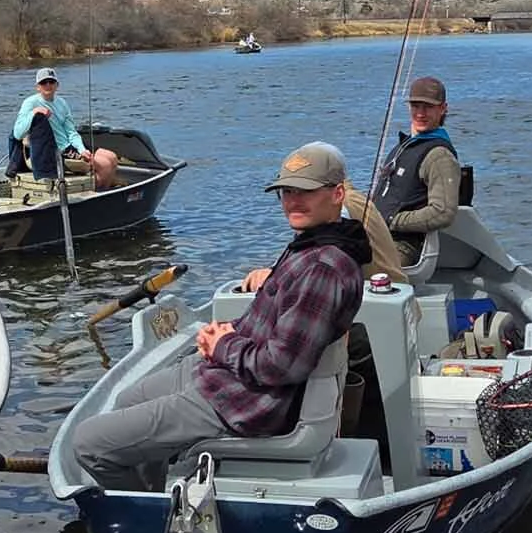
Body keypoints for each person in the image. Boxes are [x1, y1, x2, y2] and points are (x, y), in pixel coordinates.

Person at [73, 141, 371, 492]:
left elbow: (281, 367)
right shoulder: (312, 244)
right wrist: (229, 332)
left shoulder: (323, 267)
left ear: (337, 194)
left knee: (88, 443)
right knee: (127, 400)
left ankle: (147, 519)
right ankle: (155, 490)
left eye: (305, 192)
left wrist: (224, 345)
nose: (292, 201)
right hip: (231, 376)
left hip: (247, 403)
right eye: (286, 192)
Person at [370, 76, 462, 267]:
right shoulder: (405, 147)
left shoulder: (439, 156)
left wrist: (393, 220)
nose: (420, 113)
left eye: (428, 107)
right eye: (416, 106)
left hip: (404, 245)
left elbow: (443, 212)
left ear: (443, 109)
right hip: (377, 236)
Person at [12, 68, 119, 190]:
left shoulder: (62, 103)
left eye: (51, 82)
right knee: (105, 164)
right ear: (38, 87)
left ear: (57, 85)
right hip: (55, 152)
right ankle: (98, 193)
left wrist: (82, 149)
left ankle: (101, 189)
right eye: (43, 82)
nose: (48, 85)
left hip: (69, 147)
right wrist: (34, 113)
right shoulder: (30, 103)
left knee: (112, 157)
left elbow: (71, 132)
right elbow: (17, 133)